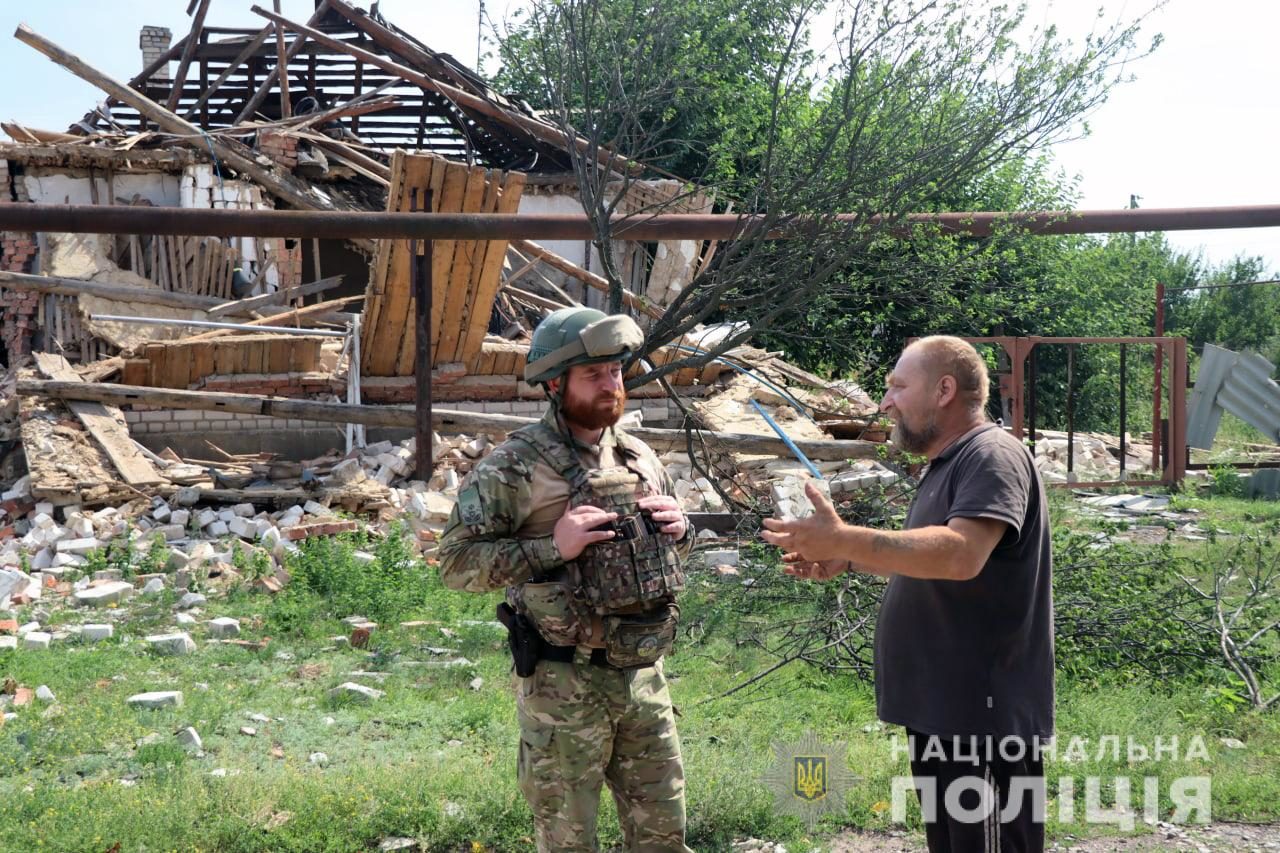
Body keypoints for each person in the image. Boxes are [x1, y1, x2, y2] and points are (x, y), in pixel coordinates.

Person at [761, 335, 1054, 853]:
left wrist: (845, 536)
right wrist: (849, 558)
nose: (885, 401)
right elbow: (930, 561)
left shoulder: (991, 455)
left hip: (981, 714)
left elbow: (960, 554)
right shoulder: (951, 462)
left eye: (898, 385)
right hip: (947, 706)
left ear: (944, 389)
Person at [438, 307, 695, 853]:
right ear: (556, 384)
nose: (611, 386)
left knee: (664, 838)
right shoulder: (515, 466)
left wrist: (681, 530)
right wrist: (552, 547)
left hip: (644, 679)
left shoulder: (640, 456)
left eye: (616, 372)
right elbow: (456, 564)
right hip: (564, 689)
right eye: (594, 375)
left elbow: (661, 560)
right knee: (568, 842)